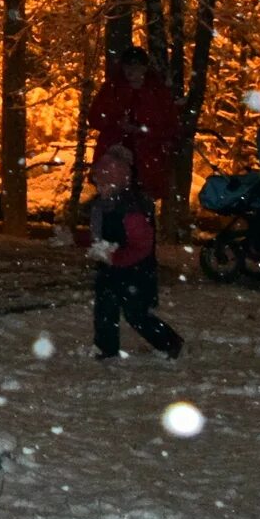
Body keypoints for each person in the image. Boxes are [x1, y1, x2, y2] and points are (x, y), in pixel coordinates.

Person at [78, 141, 185, 361]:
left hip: (136, 271)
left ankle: (169, 342)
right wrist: (77, 240)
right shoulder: (101, 206)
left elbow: (142, 246)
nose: (101, 189)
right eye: (99, 183)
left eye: (106, 184)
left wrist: (116, 257)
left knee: (136, 314)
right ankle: (105, 348)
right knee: (105, 308)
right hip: (110, 268)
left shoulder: (131, 209)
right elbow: (97, 234)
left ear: (120, 182)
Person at [85, 45, 186, 201]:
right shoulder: (113, 88)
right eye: (128, 66)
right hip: (115, 160)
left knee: (140, 209)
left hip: (146, 162)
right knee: (112, 205)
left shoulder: (156, 92)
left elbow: (170, 128)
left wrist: (142, 130)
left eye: (136, 66)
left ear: (144, 67)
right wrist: (117, 123)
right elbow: (95, 117)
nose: (131, 71)